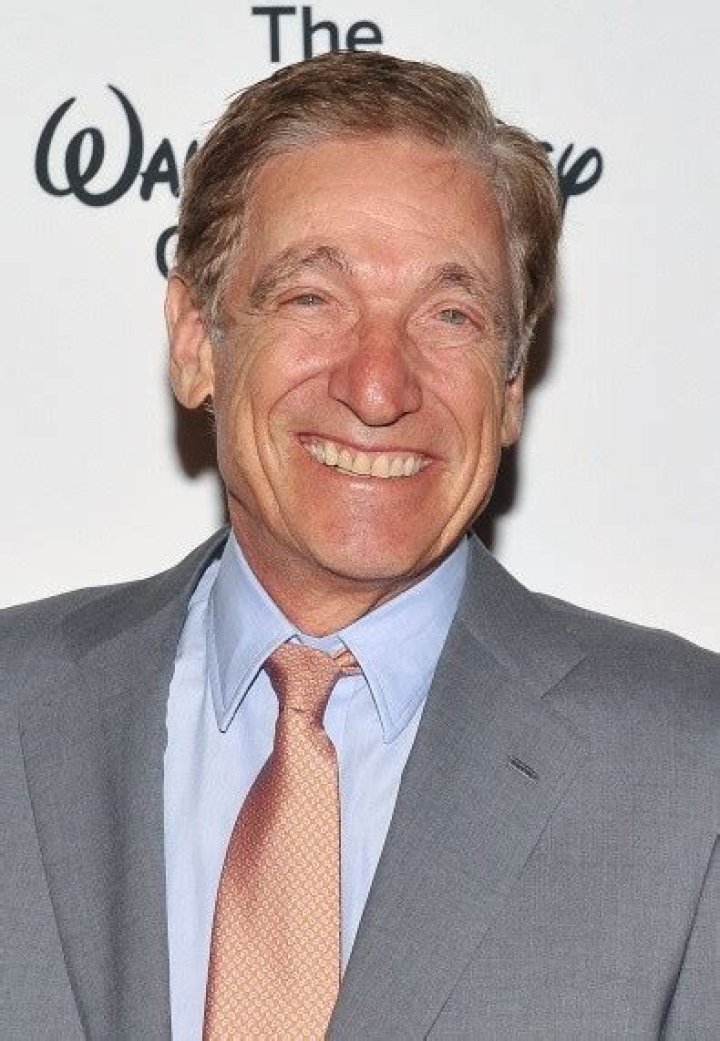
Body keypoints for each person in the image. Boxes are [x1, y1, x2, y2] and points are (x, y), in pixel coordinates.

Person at [1, 50, 717, 1041]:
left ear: (512, 386)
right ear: (197, 342)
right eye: (311, 298)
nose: (379, 386)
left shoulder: (691, 769)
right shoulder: (16, 709)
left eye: (451, 315)